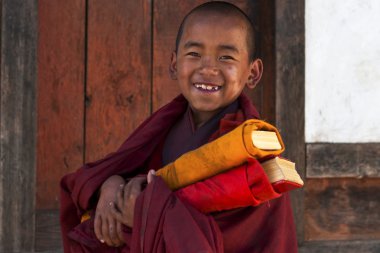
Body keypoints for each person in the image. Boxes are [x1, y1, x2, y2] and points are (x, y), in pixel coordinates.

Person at [60, 1, 298, 252]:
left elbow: (219, 238)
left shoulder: (255, 156)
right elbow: (107, 177)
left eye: (226, 57)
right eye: (194, 54)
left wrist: (144, 214)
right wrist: (111, 184)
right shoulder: (164, 127)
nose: (207, 68)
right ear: (174, 64)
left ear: (253, 73)